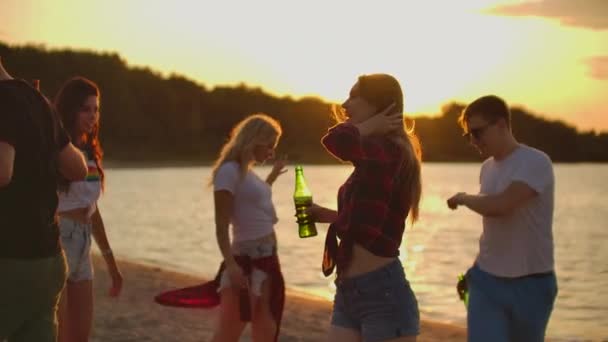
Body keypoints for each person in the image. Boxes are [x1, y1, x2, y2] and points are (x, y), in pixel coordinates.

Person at [307, 73, 422, 342]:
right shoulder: (375, 155)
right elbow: (367, 223)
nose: (345, 104)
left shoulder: (391, 152)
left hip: (382, 293)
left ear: (379, 104)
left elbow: (335, 141)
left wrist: (371, 125)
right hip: (349, 291)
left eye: (354, 96)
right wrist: (325, 215)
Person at [447, 95, 557, 342]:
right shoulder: (486, 168)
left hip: (532, 285)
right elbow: (495, 228)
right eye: (468, 136)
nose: (473, 141)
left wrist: (464, 198)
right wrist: (474, 273)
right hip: (486, 282)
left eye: (477, 132)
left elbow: (501, 206)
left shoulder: (535, 161)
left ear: (501, 125)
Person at [0, 57, 88, 341]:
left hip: (10, 259)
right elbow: (77, 168)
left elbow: (2, 171)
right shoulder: (36, 100)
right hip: (47, 260)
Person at [54, 76, 123, 342]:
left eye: (96, 109)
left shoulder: (91, 152)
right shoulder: (57, 148)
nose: (93, 115)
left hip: (83, 244)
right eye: (86, 109)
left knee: (81, 335)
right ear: (71, 109)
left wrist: (111, 263)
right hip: (59, 239)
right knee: (58, 333)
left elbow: (92, 211)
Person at [210, 114, 288, 342]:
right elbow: (221, 224)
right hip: (245, 260)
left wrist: (272, 177)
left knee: (266, 330)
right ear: (255, 139)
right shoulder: (229, 171)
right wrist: (232, 265)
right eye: (270, 146)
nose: (272, 152)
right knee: (228, 333)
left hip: (268, 260)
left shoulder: (248, 173)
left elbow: (253, 202)